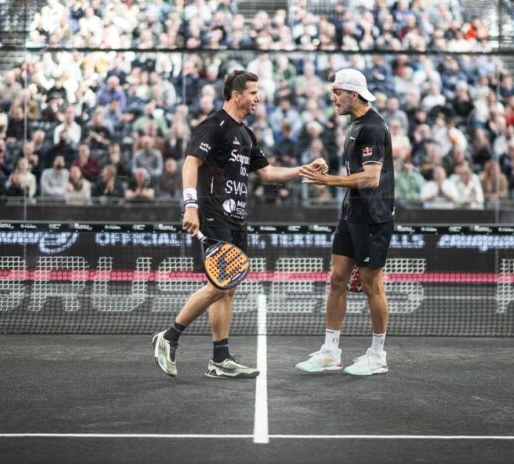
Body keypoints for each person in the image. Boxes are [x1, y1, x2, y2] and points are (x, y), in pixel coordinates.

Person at [152, 70, 327, 380]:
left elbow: (268, 174)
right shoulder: (214, 125)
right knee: (221, 283)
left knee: (228, 288)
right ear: (236, 95)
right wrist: (190, 206)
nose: (258, 97)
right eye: (253, 92)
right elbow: (191, 162)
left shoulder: (246, 134)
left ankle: (220, 359)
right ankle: (169, 336)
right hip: (212, 213)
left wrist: (305, 171)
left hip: (237, 218)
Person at [296, 68, 394, 376]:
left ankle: (378, 356)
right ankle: (330, 352)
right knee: (337, 279)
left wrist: (328, 180)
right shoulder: (355, 126)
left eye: (337, 92)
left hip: (373, 218)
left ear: (354, 94)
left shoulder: (373, 128)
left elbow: (370, 178)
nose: (332, 97)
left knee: (371, 285)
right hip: (351, 213)